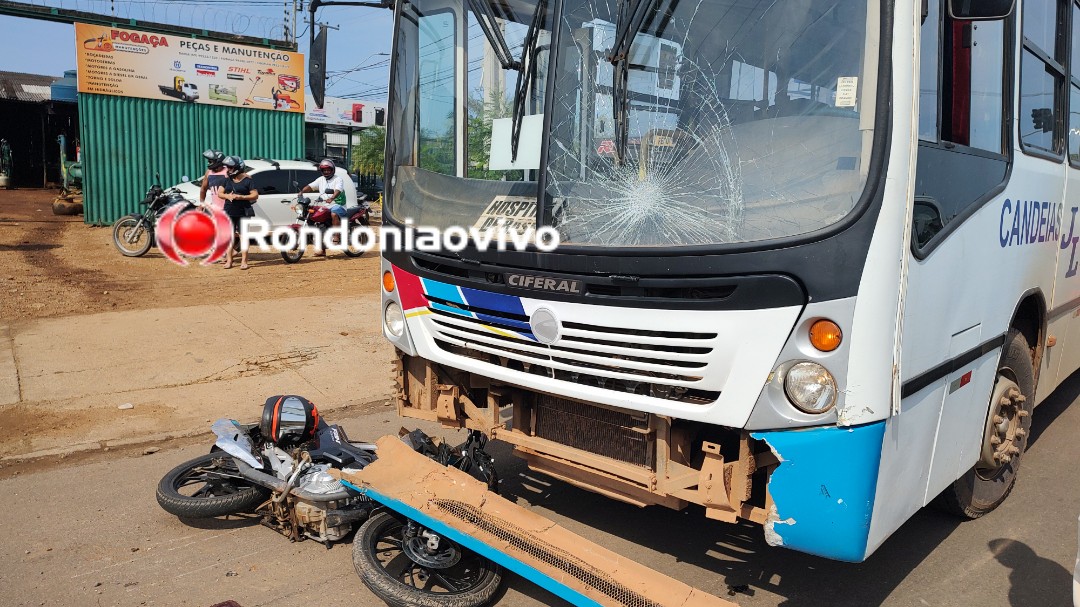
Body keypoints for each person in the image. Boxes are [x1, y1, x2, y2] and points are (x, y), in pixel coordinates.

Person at [217, 155, 258, 270]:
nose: (228, 169)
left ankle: (244, 261)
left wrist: (242, 197)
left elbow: (255, 195)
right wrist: (227, 196)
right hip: (229, 211)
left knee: (243, 236)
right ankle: (229, 260)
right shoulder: (226, 180)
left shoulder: (247, 180)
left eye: (230, 167)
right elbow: (220, 193)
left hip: (243, 212)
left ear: (237, 167)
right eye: (227, 167)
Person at [301, 159, 347, 256]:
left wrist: (332, 198)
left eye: (328, 170)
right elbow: (310, 186)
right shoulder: (320, 179)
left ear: (332, 170)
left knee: (334, 213)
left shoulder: (338, 179)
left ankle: (336, 235)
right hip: (326, 206)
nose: (326, 172)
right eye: (324, 170)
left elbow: (338, 190)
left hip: (338, 205)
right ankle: (321, 248)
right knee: (312, 215)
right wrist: (301, 192)